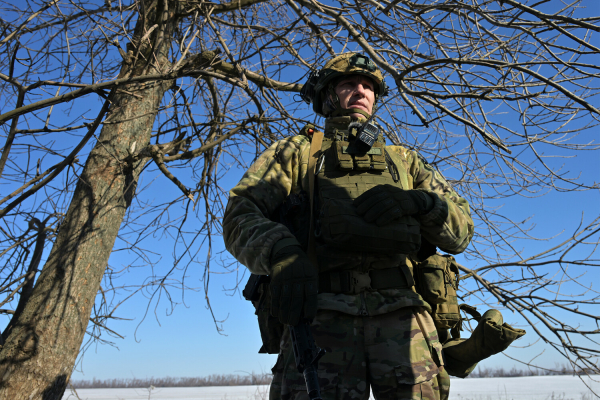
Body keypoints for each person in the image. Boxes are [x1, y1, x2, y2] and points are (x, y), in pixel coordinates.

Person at [223, 53, 475, 400]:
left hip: (404, 320)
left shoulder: (404, 160)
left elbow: (461, 233)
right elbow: (240, 213)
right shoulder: (297, 152)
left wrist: (423, 203)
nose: (361, 91)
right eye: (349, 84)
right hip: (321, 316)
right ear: (328, 96)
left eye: (369, 86)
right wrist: (281, 252)